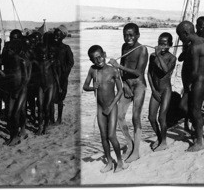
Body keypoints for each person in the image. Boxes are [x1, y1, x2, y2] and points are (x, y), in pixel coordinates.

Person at [83, 45, 127, 173]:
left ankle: (119, 162)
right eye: (94, 59)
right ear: (91, 61)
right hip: (100, 108)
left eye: (100, 56)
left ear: (105, 54)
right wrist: (93, 87)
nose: (98, 60)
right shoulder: (93, 70)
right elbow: (85, 86)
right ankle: (109, 162)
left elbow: (120, 91)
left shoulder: (113, 70)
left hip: (112, 107)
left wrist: (111, 107)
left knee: (111, 135)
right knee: (103, 137)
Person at [108, 23, 148, 162]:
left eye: (131, 35)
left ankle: (136, 151)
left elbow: (138, 72)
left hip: (139, 86)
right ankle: (130, 144)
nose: (128, 38)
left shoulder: (142, 49)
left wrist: (118, 66)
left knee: (135, 117)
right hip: (127, 85)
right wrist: (123, 84)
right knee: (119, 116)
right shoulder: (124, 47)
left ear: (138, 35)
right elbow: (121, 69)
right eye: (125, 35)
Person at [176, 21, 204, 151]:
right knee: (184, 107)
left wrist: (188, 85)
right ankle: (197, 132)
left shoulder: (196, 45)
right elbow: (181, 58)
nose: (180, 38)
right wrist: (186, 46)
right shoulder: (196, 42)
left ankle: (199, 141)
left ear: (186, 33)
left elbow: (194, 70)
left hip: (198, 81)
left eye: (181, 36)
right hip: (197, 81)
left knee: (195, 109)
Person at [147, 33, 176, 151]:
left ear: (170, 45)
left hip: (166, 90)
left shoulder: (172, 58)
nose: (161, 46)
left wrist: (158, 55)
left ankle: (164, 142)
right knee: (151, 117)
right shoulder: (152, 56)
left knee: (161, 117)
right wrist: (153, 90)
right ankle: (159, 137)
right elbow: (149, 73)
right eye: (160, 43)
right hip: (156, 89)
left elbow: (165, 70)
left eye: (164, 44)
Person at [4, 39, 31, 145]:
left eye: (9, 49)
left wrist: (18, 90)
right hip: (13, 89)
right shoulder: (10, 60)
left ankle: (15, 137)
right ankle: (12, 136)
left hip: (21, 90)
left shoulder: (22, 61)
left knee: (15, 113)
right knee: (10, 113)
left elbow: (25, 79)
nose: (7, 51)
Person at [35, 35, 60, 135]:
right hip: (41, 86)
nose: (43, 55)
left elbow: (56, 75)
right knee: (40, 107)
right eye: (41, 53)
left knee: (46, 106)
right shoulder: (36, 63)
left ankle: (46, 126)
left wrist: (59, 86)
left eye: (45, 53)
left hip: (50, 86)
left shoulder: (51, 62)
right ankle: (40, 126)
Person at [53, 25, 74, 124]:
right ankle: (51, 118)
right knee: (51, 97)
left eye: (58, 35)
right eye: (55, 35)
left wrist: (64, 72)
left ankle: (59, 118)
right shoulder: (50, 47)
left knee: (60, 97)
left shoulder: (66, 48)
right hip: (52, 74)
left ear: (62, 36)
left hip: (62, 75)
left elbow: (71, 62)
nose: (56, 37)